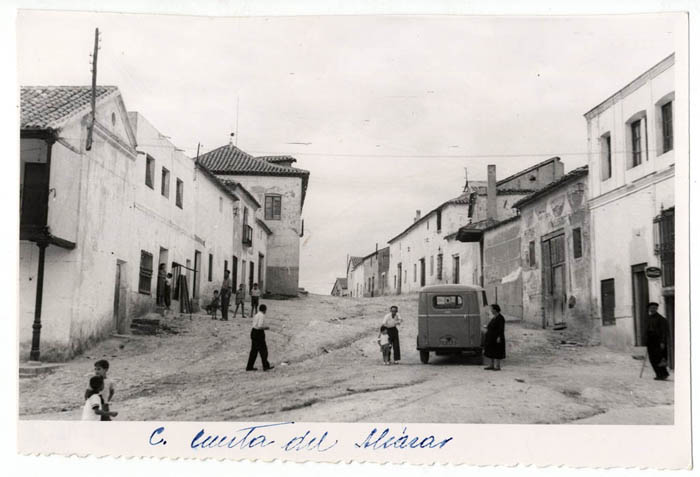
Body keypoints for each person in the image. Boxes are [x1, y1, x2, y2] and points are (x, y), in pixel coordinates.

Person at [646, 302, 670, 381]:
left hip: (658, 341)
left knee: (659, 358)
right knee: (652, 358)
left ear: (656, 309)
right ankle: (659, 374)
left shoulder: (661, 319)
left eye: (654, 308)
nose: (652, 309)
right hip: (650, 341)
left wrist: (663, 342)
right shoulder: (648, 318)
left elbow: (664, 331)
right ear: (649, 309)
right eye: (651, 308)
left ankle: (663, 374)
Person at [246, 304, 274, 371]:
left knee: (254, 351)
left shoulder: (256, 315)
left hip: (253, 332)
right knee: (263, 351)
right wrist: (266, 328)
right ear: (264, 310)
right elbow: (260, 326)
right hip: (259, 333)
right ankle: (265, 366)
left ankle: (249, 367)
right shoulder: (262, 315)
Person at [483, 304, 506, 371]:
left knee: (497, 351)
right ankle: (491, 365)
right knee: (491, 351)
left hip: (497, 337)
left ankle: (497, 366)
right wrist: (487, 327)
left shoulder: (500, 318)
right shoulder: (494, 317)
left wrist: (499, 337)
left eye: (492, 309)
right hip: (491, 337)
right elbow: (491, 326)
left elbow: (501, 329)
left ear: (495, 310)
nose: (491, 310)